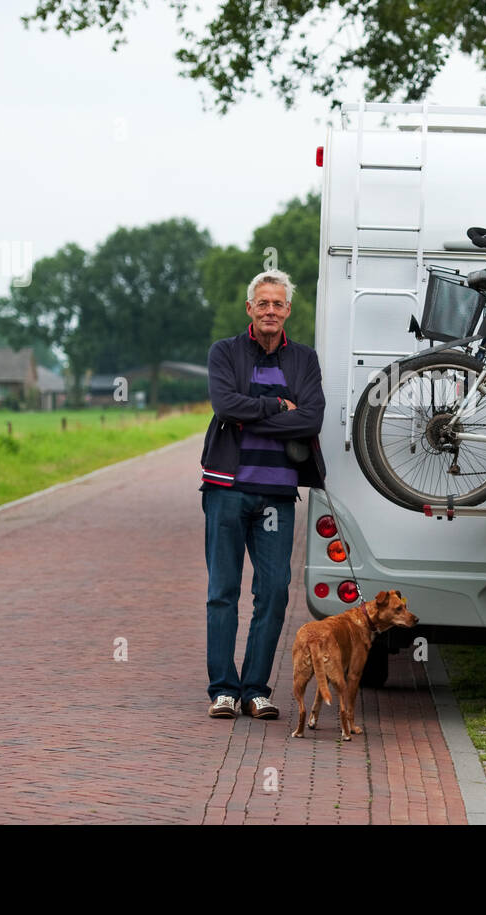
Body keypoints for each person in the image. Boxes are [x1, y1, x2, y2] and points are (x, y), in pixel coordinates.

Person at [200, 270, 326, 720]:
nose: (270, 310)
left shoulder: (304, 360)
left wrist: (250, 415)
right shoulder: (225, 352)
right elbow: (224, 406)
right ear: (250, 309)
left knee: (273, 591)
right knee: (223, 591)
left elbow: (311, 420)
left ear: (288, 310)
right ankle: (223, 689)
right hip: (226, 489)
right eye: (263, 303)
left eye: (278, 304)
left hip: (276, 493)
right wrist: (276, 406)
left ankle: (255, 688)